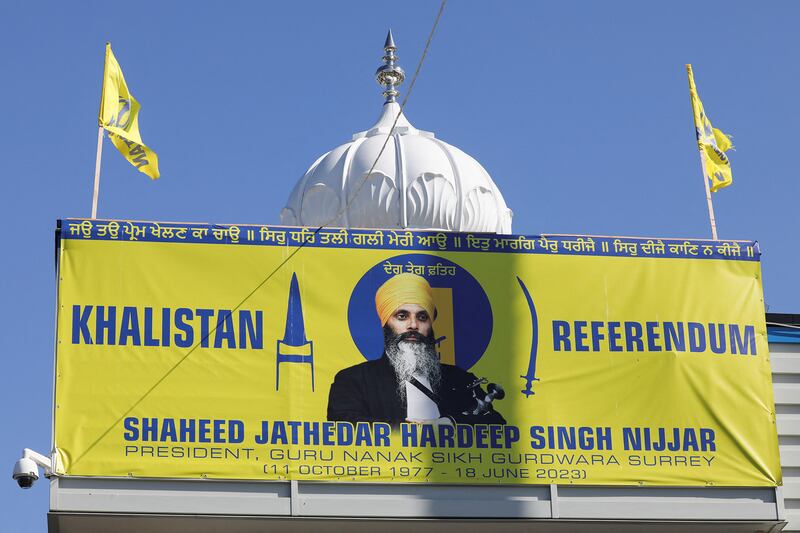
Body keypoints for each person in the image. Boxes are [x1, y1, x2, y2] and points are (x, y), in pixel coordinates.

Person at [327, 272, 505, 427]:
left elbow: (497, 424)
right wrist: (414, 433)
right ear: (385, 323)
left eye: (422, 317)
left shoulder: (459, 379)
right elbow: (343, 424)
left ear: (430, 324)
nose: (413, 325)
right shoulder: (354, 380)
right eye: (402, 316)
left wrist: (451, 423)